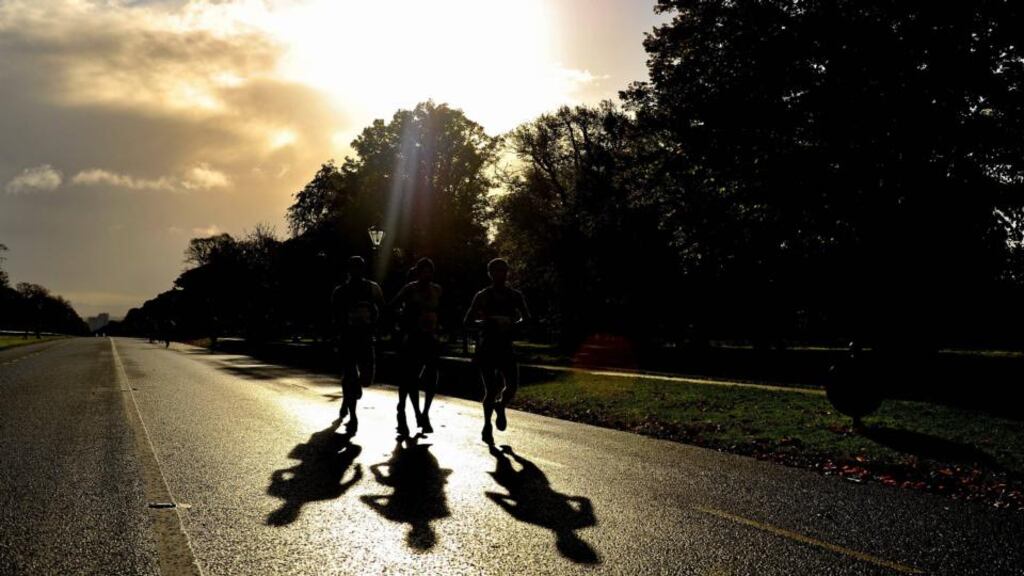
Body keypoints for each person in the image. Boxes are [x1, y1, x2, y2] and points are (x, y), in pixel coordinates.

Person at [464, 258, 531, 444]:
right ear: (490, 274)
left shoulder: (515, 296)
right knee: (490, 389)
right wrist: (485, 323)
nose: (500, 274)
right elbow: (467, 321)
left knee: (512, 386)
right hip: (487, 347)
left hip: (506, 347)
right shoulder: (482, 296)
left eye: (503, 271)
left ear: (507, 273)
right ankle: (487, 425)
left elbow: (527, 319)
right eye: (496, 271)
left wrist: (513, 324)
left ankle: (501, 406)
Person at [331, 256, 385, 435]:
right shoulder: (340, 291)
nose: (356, 272)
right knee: (350, 375)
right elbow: (335, 317)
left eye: (359, 268)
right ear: (349, 270)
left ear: (363, 270)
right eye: (353, 268)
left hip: (366, 338)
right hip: (348, 338)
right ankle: (353, 415)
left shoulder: (373, 288)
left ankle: (348, 399)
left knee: (366, 379)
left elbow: (382, 308)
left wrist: (377, 325)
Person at [389, 258, 443, 436]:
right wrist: (404, 323)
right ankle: (407, 410)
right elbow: (392, 307)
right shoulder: (409, 289)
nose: (427, 275)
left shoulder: (437, 290)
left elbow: (442, 311)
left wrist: (440, 327)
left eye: (430, 271)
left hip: (431, 338)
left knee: (432, 376)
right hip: (413, 338)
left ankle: (425, 413)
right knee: (409, 379)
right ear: (418, 273)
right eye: (424, 271)